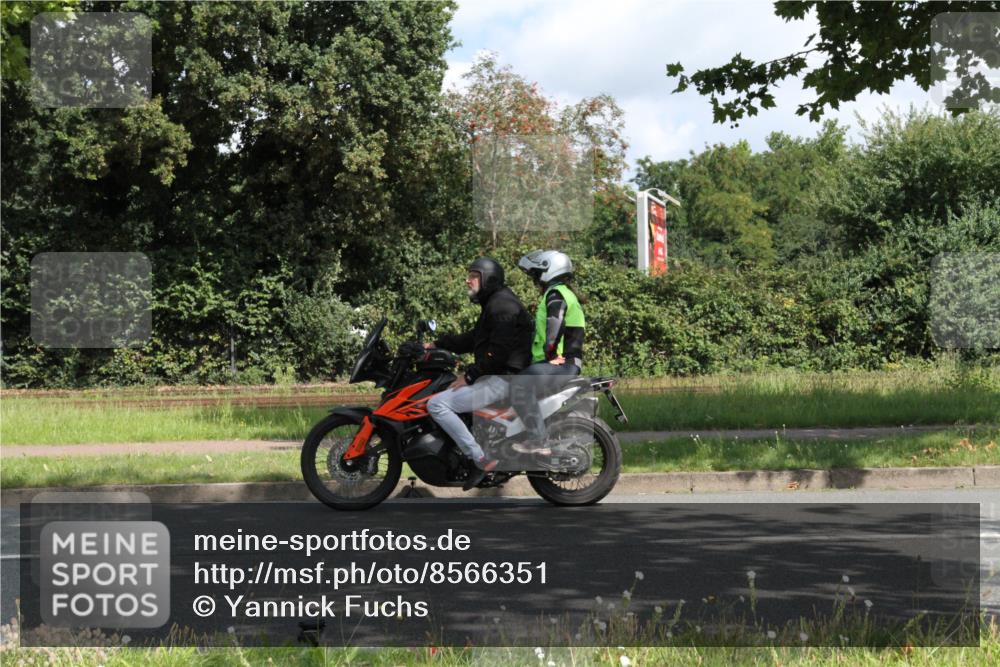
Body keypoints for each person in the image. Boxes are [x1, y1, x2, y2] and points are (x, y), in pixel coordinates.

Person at [426, 257, 534, 490]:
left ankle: (480, 459)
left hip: (503, 379)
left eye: (474, 276)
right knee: (446, 393)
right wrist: (437, 344)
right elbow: (474, 338)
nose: (468, 280)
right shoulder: (496, 303)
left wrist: (470, 376)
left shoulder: (502, 306)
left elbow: (498, 352)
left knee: (436, 405)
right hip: (501, 377)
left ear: (489, 279)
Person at [511, 250, 585, 455]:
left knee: (519, 387)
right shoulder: (562, 293)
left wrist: (550, 353)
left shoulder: (556, 294)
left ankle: (538, 440)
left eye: (536, 274)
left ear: (549, 271)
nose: (535, 280)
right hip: (565, 363)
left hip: (562, 363)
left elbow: (555, 322)